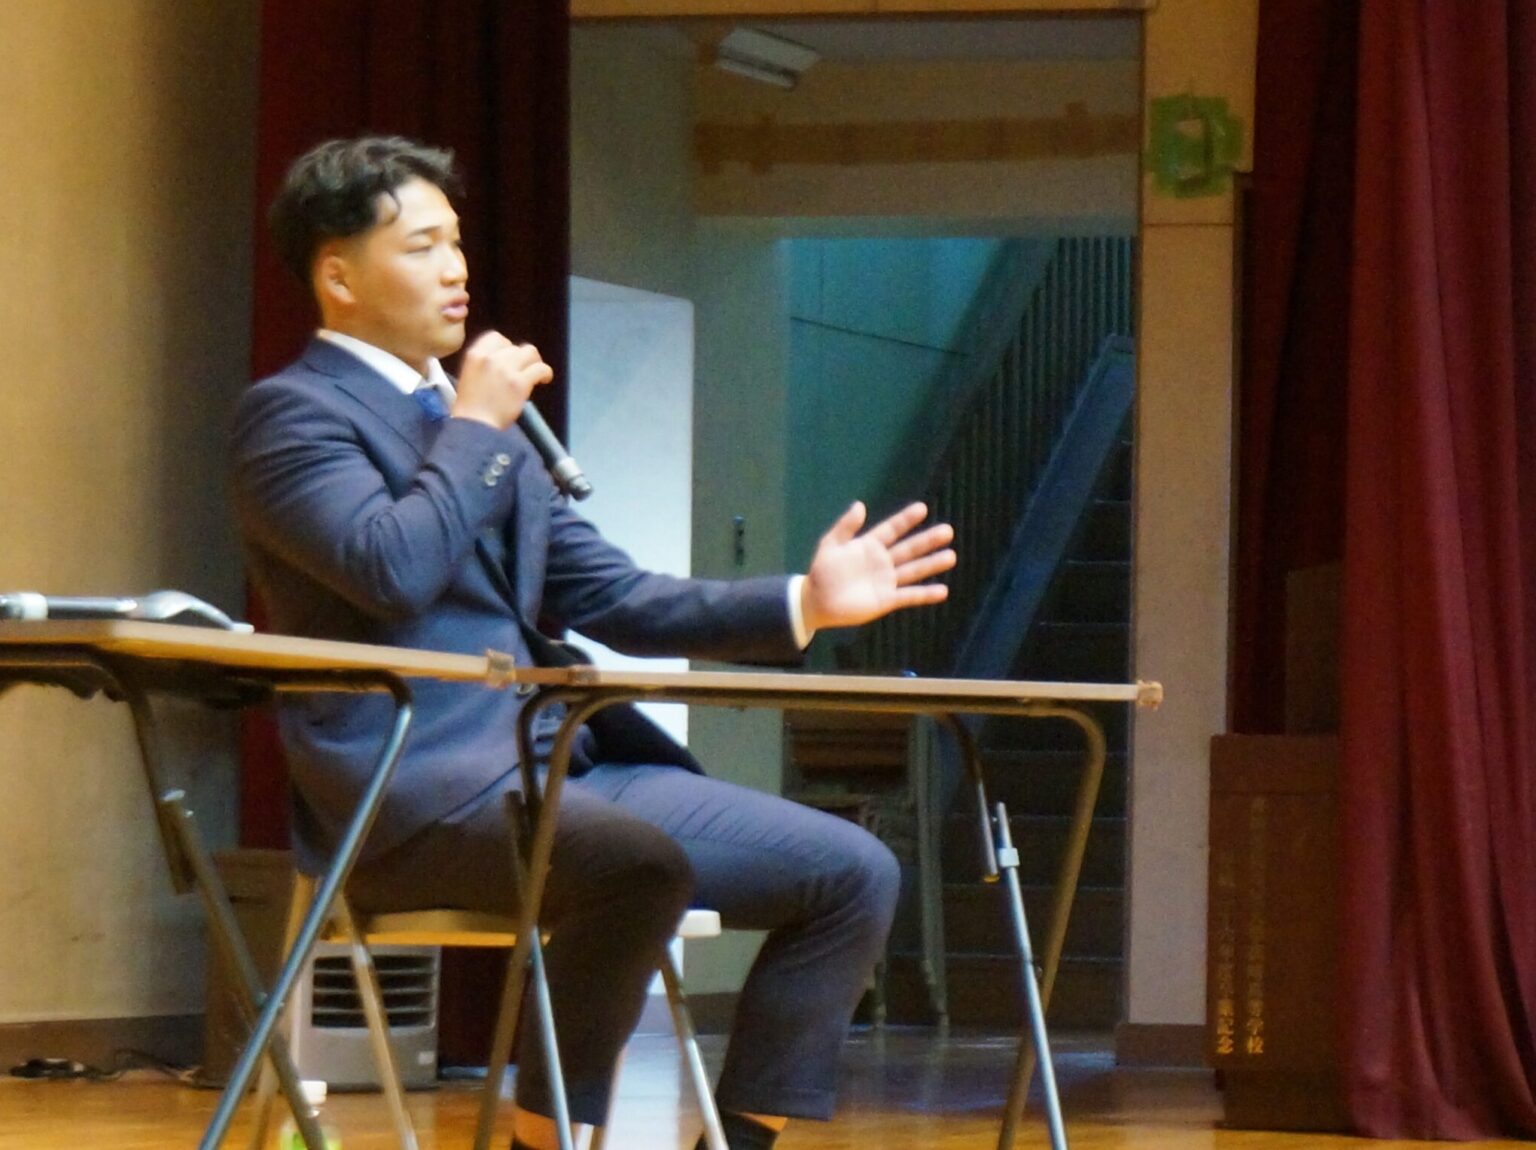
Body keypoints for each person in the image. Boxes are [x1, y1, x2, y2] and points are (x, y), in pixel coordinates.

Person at [232, 136, 957, 1150]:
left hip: (562, 768)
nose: (456, 269)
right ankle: (543, 1140)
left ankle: (741, 1141)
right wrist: (476, 427)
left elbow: (616, 595)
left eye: (457, 242)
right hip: (417, 798)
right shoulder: (293, 417)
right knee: (637, 866)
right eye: (422, 246)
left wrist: (805, 601)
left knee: (854, 871)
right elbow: (390, 570)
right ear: (339, 276)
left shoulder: (475, 425)